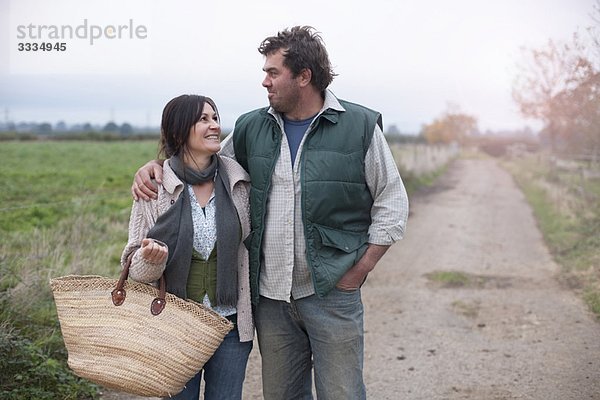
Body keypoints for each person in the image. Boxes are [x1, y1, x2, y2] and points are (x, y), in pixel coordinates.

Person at [132, 26, 409, 400]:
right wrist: (155, 167)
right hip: (272, 300)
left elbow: (392, 202)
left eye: (273, 72)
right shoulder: (251, 127)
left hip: (332, 292)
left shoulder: (358, 126)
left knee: (342, 393)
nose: (264, 81)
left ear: (304, 76)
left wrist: (359, 270)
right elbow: (200, 163)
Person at [122, 94, 253, 400]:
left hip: (229, 324)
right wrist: (151, 259)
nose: (214, 126)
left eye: (215, 118)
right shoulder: (153, 188)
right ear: (179, 132)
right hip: (174, 324)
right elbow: (132, 266)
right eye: (203, 120)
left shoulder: (239, 181)